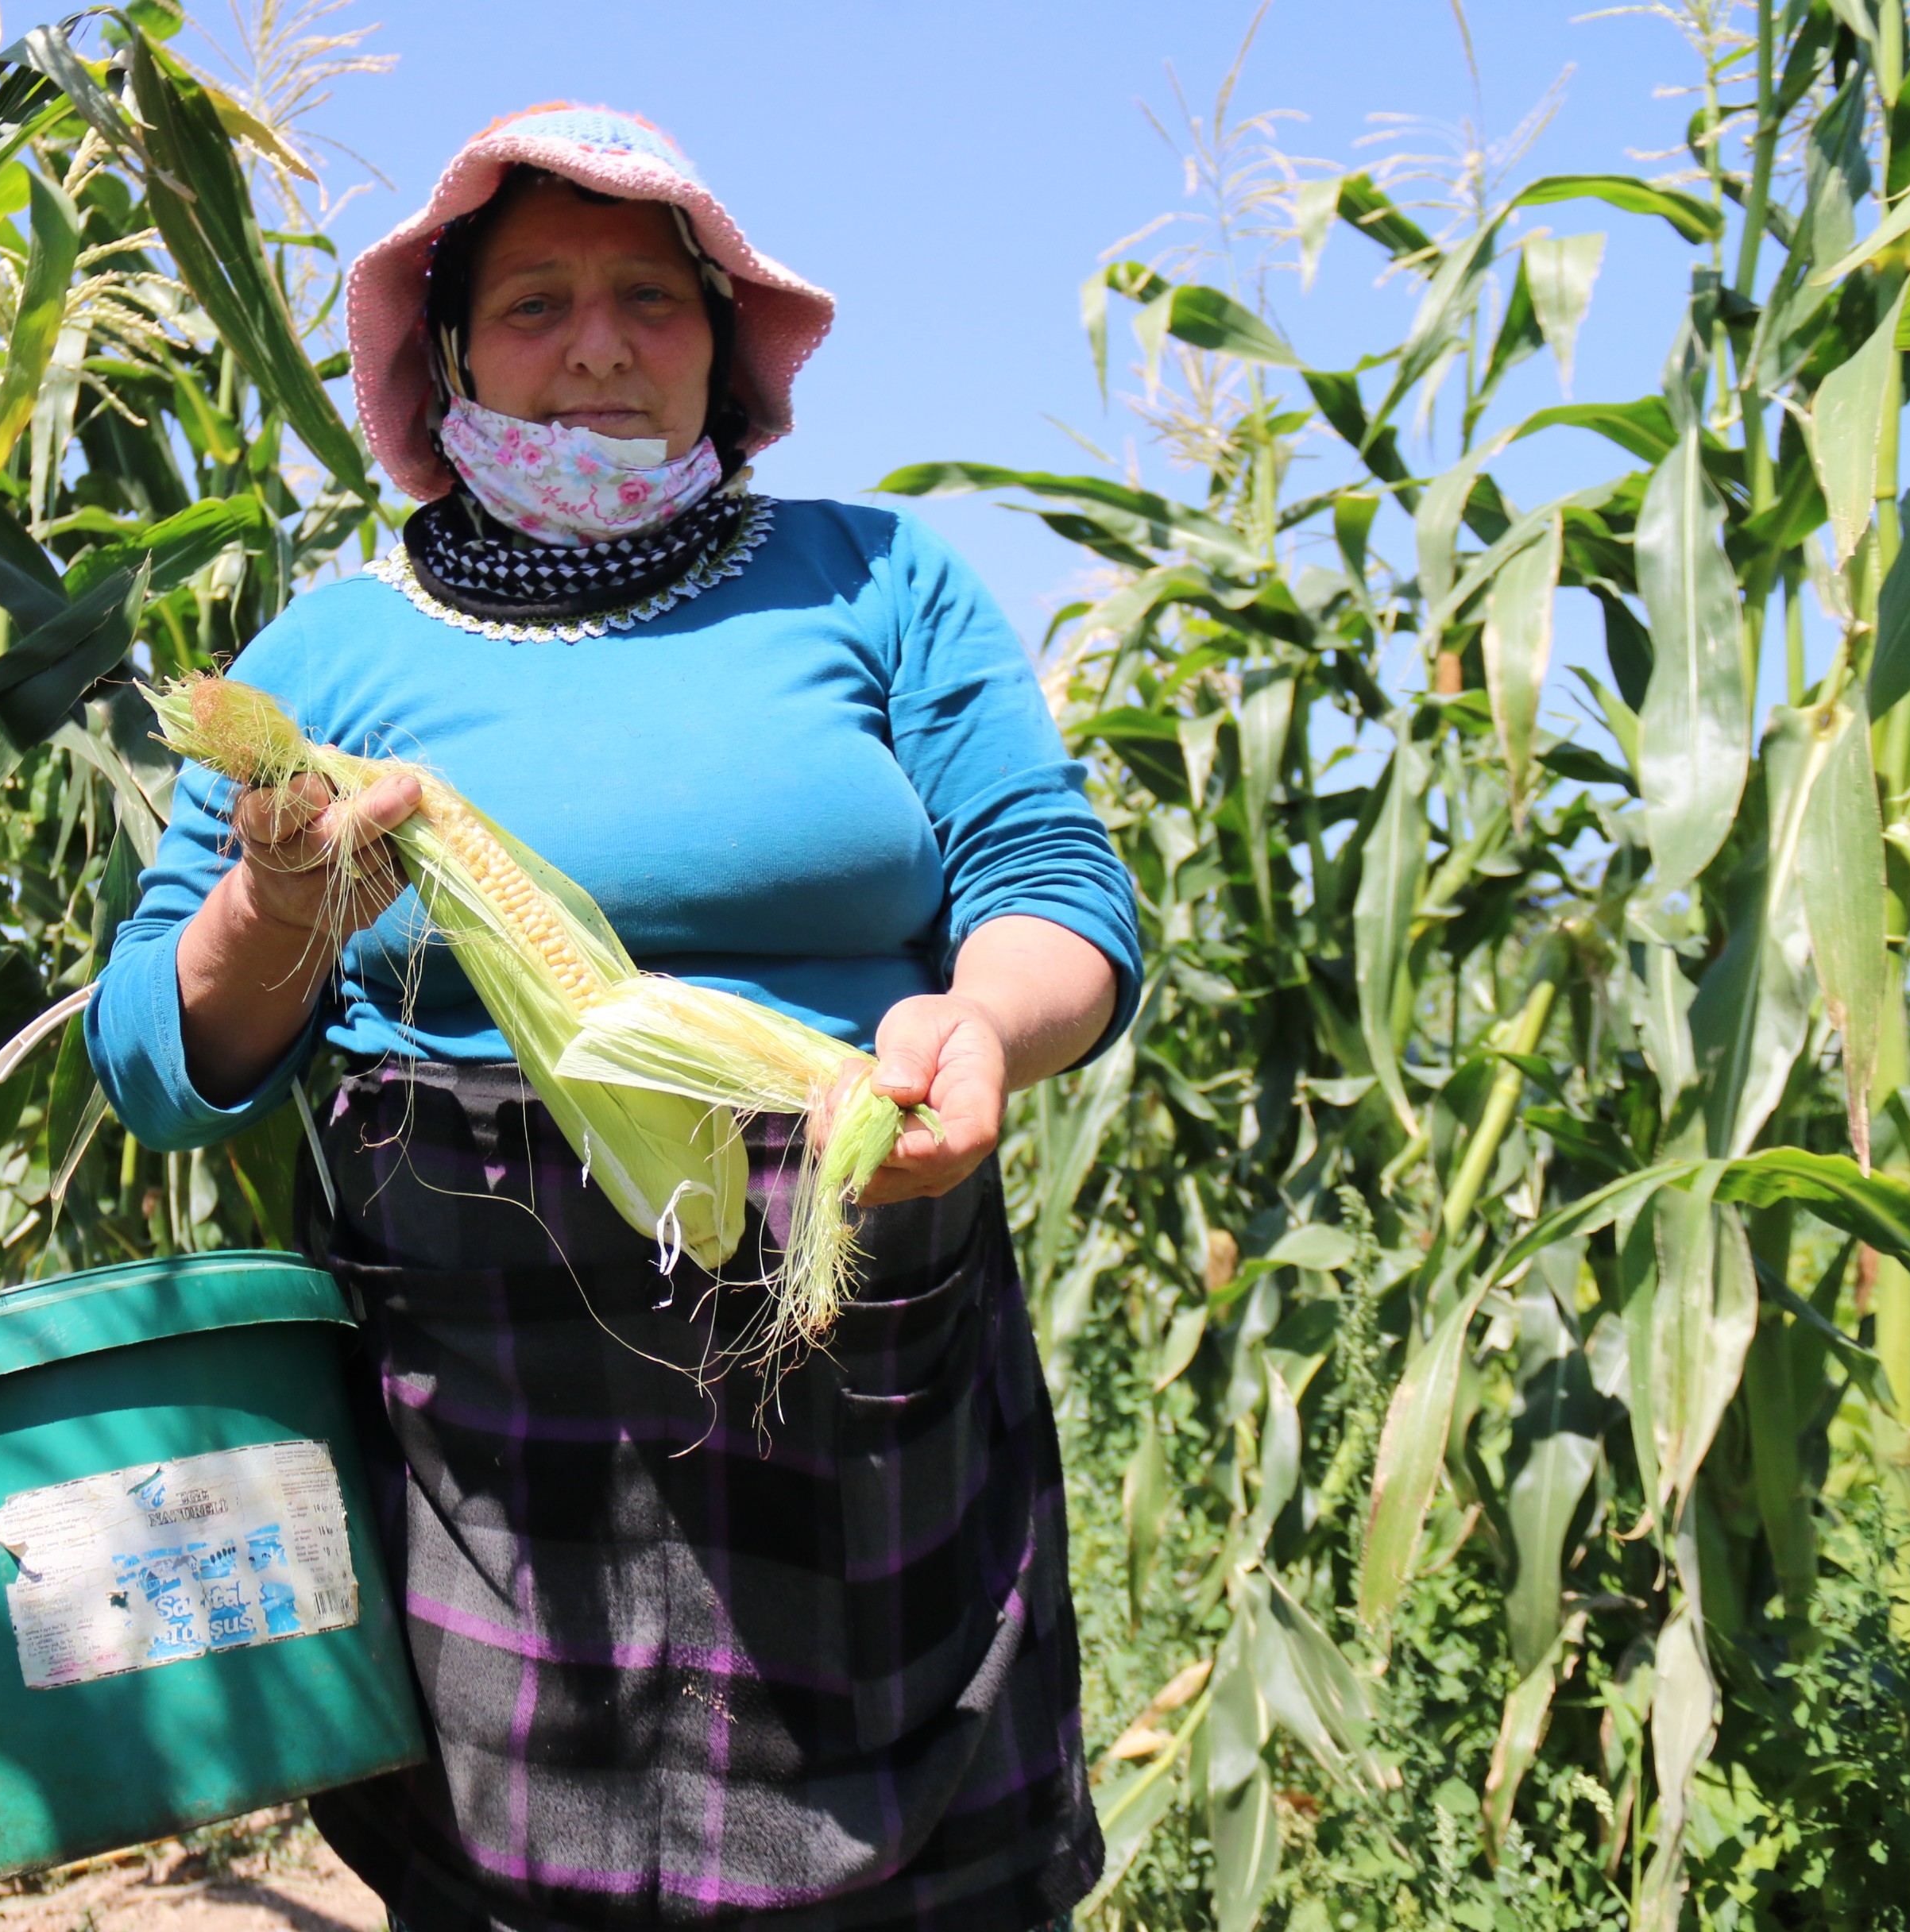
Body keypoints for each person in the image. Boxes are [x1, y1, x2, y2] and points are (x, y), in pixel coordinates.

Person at [89, 104, 1139, 1932]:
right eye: (536, 305)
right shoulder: (326, 657)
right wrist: (283, 901)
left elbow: (1056, 888)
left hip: (850, 1310)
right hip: (489, 1403)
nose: (595, 347)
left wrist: (983, 1027)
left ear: (726, 351)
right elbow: (161, 1061)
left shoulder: (880, 582)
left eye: (652, 301)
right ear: (449, 358)